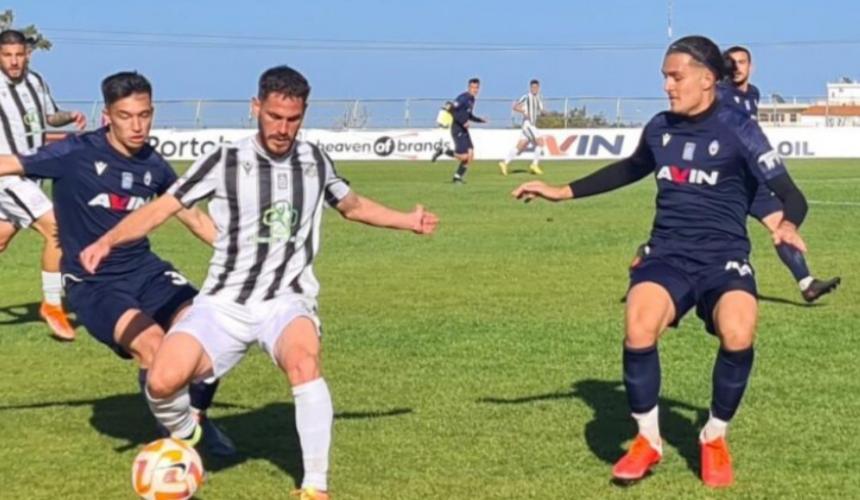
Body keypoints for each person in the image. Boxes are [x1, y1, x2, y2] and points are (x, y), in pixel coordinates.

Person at [80, 65, 439, 500]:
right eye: (274, 116)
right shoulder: (225, 161)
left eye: (293, 119)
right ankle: (187, 435)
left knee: (304, 362)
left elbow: (353, 206)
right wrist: (108, 240)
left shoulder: (314, 161)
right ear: (256, 107)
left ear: (303, 114)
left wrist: (408, 220)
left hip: (286, 300)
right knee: (161, 381)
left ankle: (315, 487)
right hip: (222, 303)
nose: (282, 129)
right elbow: (163, 208)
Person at [512, 36, 809, 488]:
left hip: (724, 258)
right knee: (639, 326)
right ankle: (647, 440)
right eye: (665, 77)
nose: (668, 86)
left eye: (676, 76)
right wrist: (561, 191)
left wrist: (788, 223)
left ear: (707, 79)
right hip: (667, 254)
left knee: (739, 332)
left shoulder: (739, 128)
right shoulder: (659, 128)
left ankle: (714, 436)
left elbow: (791, 194)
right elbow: (629, 168)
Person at [0, 71, 235, 456]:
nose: (137, 125)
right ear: (107, 116)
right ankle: (174, 440)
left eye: (144, 115)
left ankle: (197, 419)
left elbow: (193, 218)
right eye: (126, 116)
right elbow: (9, 163)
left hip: (146, 271)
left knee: (206, 328)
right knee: (154, 345)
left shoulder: (154, 164)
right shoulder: (74, 153)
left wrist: (241, 257)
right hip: (94, 283)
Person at [720, 45, 839, 302]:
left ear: (751, 67)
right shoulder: (720, 92)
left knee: (782, 227)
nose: (737, 67)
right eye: (732, 62)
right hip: (725, 181)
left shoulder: (753, 94)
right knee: (717, 234)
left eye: (742, 62)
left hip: (753, 180)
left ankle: (807, 284)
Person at [0, 29, 86, 340]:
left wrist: (69, 116)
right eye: (7, 55)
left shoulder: (36, 82)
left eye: (18, 55)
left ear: (27, 55)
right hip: (6, 177)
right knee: (57, 228)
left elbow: (50, 117)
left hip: (32, 175)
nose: (13, 61)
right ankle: (52, 305)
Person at [430, 77, 487, 183]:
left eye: (477, 88)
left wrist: (480, 120)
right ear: (468, 87)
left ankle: (457, 177)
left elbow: (468, 115)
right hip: (457, 129)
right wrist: (462, 122)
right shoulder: (463, 98)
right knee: (464, 157)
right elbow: (451, 109)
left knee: (470, 155)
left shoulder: (472, 99)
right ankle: (444, 150)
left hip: (464, 129)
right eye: (473, 87)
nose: (475, 90)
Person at [499, 79, 545, 176]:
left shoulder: (538, 99)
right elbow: (515, 107)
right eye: (533, 87)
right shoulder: (526, 97)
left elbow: (541, 110)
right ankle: (534, 165)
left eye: (536, 87)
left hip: (532, 124)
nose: (534, 89)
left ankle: (504, 163)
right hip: (528, 124)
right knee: (540, 142)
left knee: (520, 146)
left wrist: (545, 113)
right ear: (530, 88)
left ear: (539, 88)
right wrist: (524, 112)